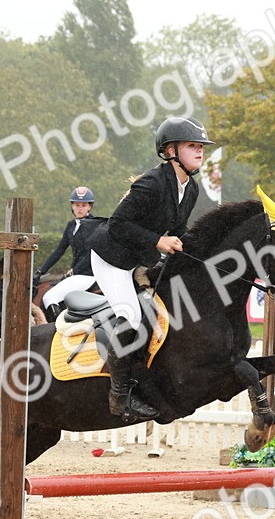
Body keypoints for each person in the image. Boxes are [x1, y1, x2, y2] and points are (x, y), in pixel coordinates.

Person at [88, 115, 213, 420]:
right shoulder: (151, 184)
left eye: (201, 147)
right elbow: (117, 224)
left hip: (141, 256)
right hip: (112, 258)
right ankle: (118, 397)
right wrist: (159, 240)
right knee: (131, 316)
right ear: (170, 151)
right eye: (192, 146)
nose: (200, 152)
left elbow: (179, 229)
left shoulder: (191, 188)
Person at [37, 186, 107, 319]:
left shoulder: (94, 225)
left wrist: (74, 270)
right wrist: (40, 271)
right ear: (72, 206)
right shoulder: (71, 225)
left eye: (83, 205)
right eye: (77, 205)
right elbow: (59, 250)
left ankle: (57, 330)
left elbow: (91, 253)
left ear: (89, 207)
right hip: (77, 275)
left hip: (89, 275)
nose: (80, 208)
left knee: (49, 298)